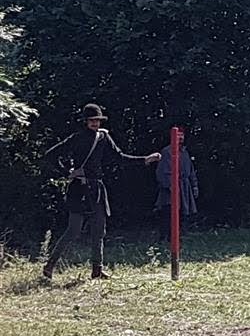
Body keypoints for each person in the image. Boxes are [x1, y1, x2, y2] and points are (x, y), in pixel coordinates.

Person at [42, 104, 161, 280]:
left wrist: (145, 160)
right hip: (79, 189)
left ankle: (97, 270)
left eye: (97, 120)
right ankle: (49, 266)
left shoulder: (103, 137)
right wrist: (67, 172)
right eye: (92, 120)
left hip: (96, 189)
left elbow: (119, 157)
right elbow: (51, 155)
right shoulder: (77, 137)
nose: (95, 123)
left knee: (99, 230)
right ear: (85, 121)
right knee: (73, 230)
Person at [154, 129, 199, 237]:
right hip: (170, 188)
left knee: (183, 212)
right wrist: (170, 186)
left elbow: (191, 170)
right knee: (168, 212)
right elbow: (162, 171)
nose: (181, 137)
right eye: (178, 135)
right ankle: (165, 236)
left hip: (184, 186)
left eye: (182, 135)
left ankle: (180, 234)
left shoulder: (184, 152)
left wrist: (194, 186)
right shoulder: (167, 152)